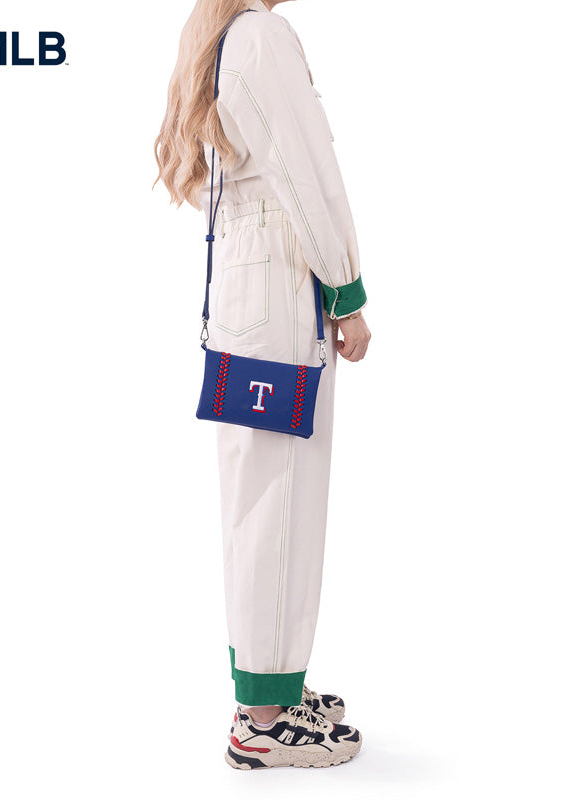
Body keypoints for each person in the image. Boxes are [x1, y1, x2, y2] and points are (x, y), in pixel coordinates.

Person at [153, 0, 371, 769]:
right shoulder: (262, 35)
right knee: (281, 504)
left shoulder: (219, 39)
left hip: (246, 300)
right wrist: (347, 288)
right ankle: (263, 722)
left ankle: (271, 685)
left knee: (259, 504)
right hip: (281, 298)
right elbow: (308, 173)